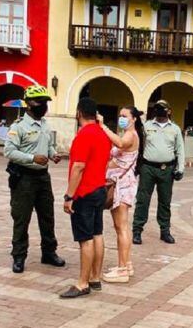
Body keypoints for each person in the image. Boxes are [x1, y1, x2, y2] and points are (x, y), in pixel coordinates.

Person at [3, 85, 66, 274]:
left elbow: (47, 146)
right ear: (29, 104)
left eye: (46, 102)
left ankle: (49, 252)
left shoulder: (45, 124)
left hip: (43, 178)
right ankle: (19, 256)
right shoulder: (18, 126)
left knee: (47, 217)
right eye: (41, 102)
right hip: (24, 178)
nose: (44, 106)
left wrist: (53, 154)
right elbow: (9, 151)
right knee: (22, 218)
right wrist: (32, 158)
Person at [60, 97, 112, 299]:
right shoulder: (102, 134)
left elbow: (78, 167)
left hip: (85, 192)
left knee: (85, 239)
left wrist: (69, 196)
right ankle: (95, 277)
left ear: (79, 113)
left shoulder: (83, 135)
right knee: (97, 233)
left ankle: (82, 283)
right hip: (99, 189)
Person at [98, 106, 143, 284]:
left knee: (121, 227)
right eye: (120, 115)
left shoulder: (130, 135)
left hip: (123, 185)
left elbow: (120, 144)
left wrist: (103, 126)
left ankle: (122, 269)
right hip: (121, 184)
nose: (121, 118)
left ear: (134, 119)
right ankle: (126, 264)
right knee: (120, 227)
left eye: (125, 116)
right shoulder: (127, 134)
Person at [132, 100, 185, 245]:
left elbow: (180, 150)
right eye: (157, 108)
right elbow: (139, 146)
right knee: (142, 199)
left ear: (169, 111)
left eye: (163, 108)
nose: (160, 111)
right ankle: (137, 230)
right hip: (148, 168)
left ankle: (165, 231)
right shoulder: (146, 126)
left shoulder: (175, 129)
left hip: (166, 169)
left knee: (165, 202)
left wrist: (180, 169)